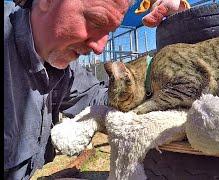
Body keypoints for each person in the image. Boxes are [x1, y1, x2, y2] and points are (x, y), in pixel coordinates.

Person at [4, 0, 133, 179]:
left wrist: (146, 83)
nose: (100, 48)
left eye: (108, 33)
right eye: (95, 21)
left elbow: (96, 98)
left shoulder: (64, 68)